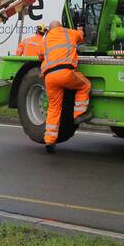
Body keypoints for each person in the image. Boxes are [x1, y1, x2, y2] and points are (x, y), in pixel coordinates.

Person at [41, 19, 91, 153]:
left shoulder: (46, 39)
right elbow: (81, 37)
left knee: (54, 108)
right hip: (65, 73)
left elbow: (41, 55)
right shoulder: (69, 33)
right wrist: (80, 28)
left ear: (50, 30)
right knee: (85, 85)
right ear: (61, 27)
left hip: (49, 77)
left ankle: (49, 141)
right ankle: (79, 114)